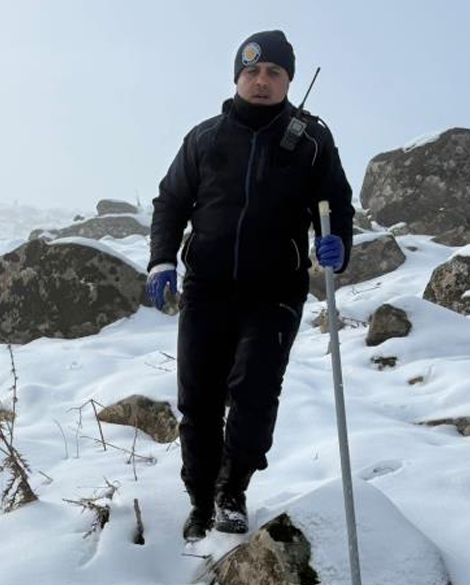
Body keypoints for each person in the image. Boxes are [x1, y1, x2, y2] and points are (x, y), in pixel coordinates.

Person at [146, 29, 355, 541]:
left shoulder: (311, 141)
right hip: (207, 287)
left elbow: (338, 203)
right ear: (238, 77)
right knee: (198, 401)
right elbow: (170, 202)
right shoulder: (204, 138)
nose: (261, 81)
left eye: (273, 73)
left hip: (275, 291)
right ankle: (199, 500)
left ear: (288, 80)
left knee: (255, 395)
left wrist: (338, 245)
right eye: (252, 71)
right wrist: (160, 261)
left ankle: (232, 491)